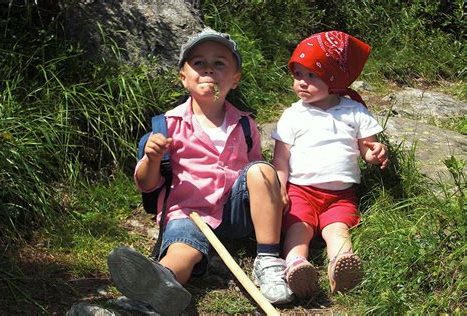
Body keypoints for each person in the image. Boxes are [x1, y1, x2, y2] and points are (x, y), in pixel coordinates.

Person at [107, 27, 293, 315]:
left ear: (235, 79)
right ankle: (158, 285)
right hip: (187, 212)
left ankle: (268, 260)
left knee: (261, 170)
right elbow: (147, 184)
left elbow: (255, 174)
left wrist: (272, 187)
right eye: (198, 63)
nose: (208, 70)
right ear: (183, 78)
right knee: (182, 250)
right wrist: (152, 158)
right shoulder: (167, 126)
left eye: (219, 63)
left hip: (234, 212)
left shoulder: (245, 124)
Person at [271, 31, 389, 298]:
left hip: (340, 195)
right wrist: (280, 188)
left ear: (334, 79)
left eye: (312, 75)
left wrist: (376, 153)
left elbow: (367, 150)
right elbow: (280, 158)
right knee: (298, 227)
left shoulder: (354, 111)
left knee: (338, 230)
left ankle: (340, 266)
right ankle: (296, 265)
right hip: (301, 190)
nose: (302, 82)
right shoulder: (293, 115)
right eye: (298, 74)